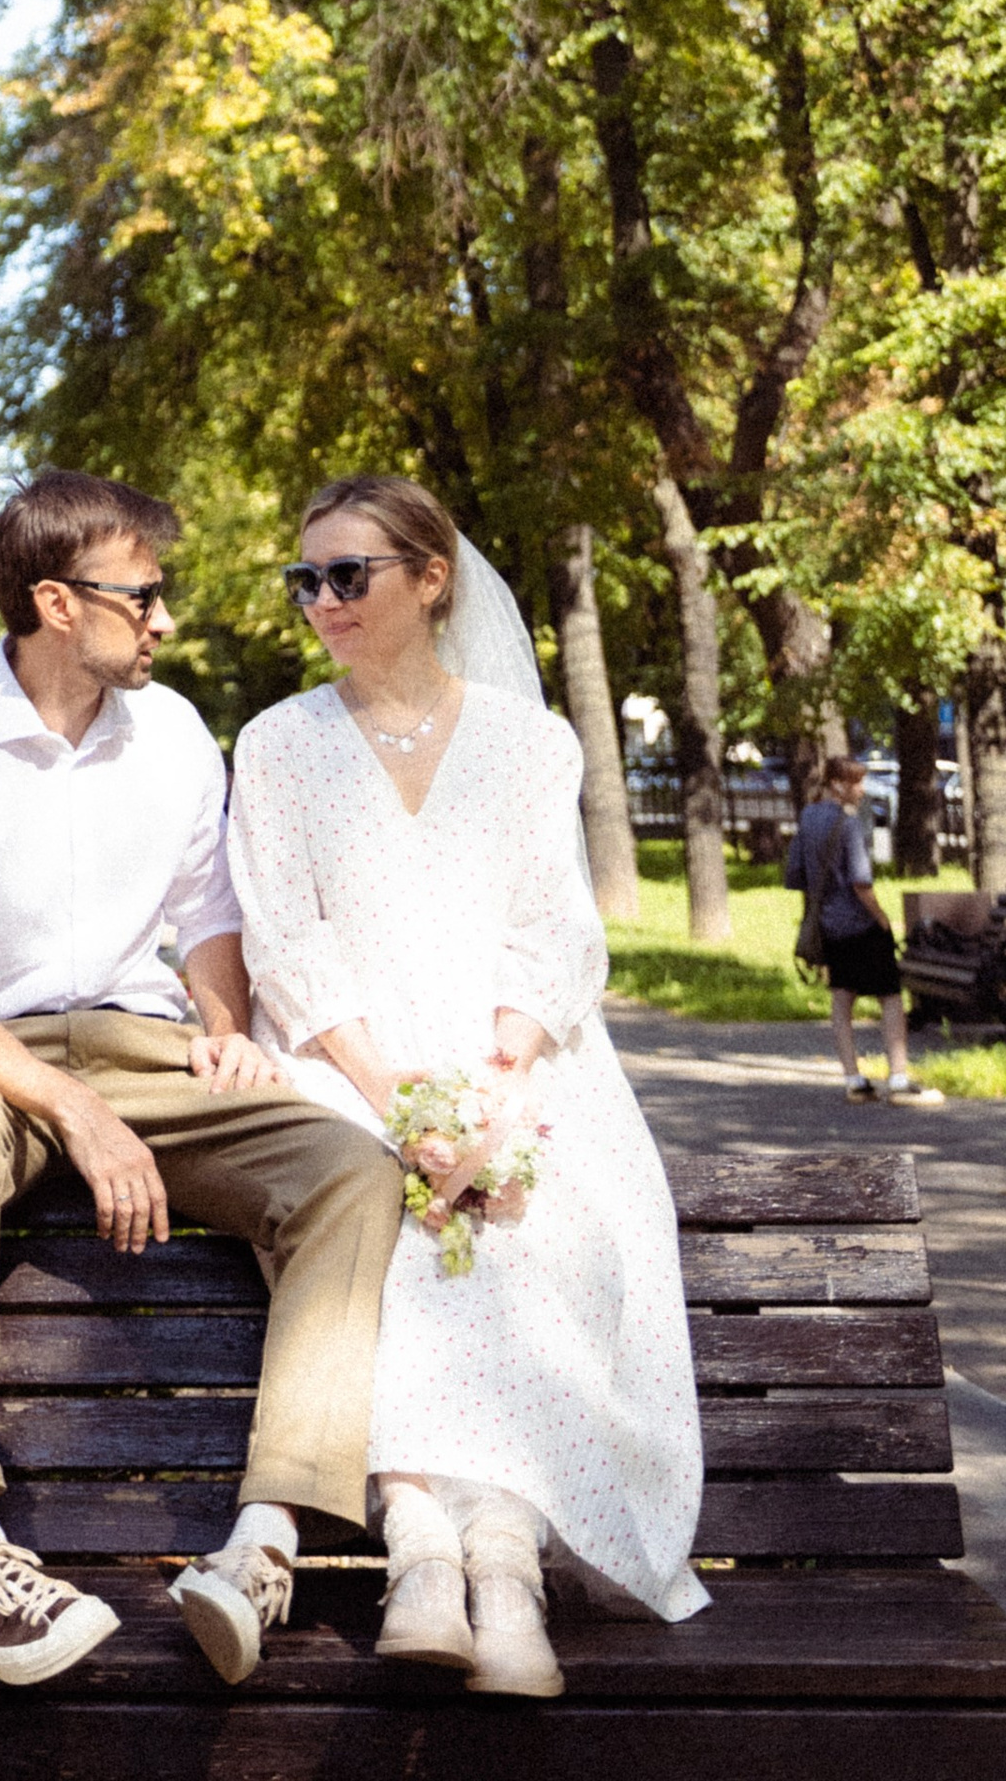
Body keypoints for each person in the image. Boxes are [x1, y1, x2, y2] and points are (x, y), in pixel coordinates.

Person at [0, 469, 404, 1693]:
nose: (164, 618)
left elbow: (205, 912)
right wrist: (75, 1112)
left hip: (142, 1047)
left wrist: (222, 1023)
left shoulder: (167, 731)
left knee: (348, 1166)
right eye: (143, 595)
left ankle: (263, 1544)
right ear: (56, 603)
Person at [227, 474, 708, 1702]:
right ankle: (425, 1556)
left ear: (429, 579)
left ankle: (510, 1563)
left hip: (515, 1054)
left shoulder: (528, 743)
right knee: (377, 1216)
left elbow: (555, 929)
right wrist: (401, 1102)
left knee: (543, 1226)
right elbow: (286, 944)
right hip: (345, 1062)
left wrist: (498, 1084)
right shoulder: (278, 743)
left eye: (348, 575)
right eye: (307, 579)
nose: (321, 601)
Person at [794, 754, 944, 1106]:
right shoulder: (847, 825)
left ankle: (854, 1080)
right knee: (891, 997)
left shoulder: (808, 818)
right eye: (856, 782)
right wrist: (883, 920)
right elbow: (862, 883)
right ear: (836, 784)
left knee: (841, 998)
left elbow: (797, 875)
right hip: (860, 924)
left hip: (829, 924)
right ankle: (899, 1078)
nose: (862, 790)